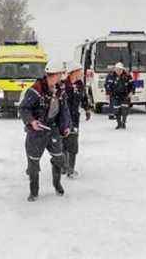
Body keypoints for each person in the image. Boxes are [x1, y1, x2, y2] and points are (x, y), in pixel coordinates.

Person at [19, 62, 71, 202]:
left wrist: (65, 126)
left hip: (53, 130)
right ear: (53, 75)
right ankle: (34, 191)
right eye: (60, 74)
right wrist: (31, 121)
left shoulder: (60, 91)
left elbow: (64, 111)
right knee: (34, 163)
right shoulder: (35, 90)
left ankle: (57, 183)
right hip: (37, 132)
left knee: (59, 158)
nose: (61, 77)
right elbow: (24, 109)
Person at [63, 62, 92, 178]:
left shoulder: (80, 84)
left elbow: (84, 97)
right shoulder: (63, 85)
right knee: (63, 143)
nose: (81, 73)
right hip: (62, 119)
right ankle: (63, 166)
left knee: (73, 144)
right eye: (79, 71)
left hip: (74, 118)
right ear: (73, 72)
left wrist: (87, 109)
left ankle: (71, 169)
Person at [104, 62, 135, 129]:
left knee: (124, 110)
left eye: (120, 70)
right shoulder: (110, 76)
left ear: (122, 69)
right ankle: (119, 123)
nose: (119, 71)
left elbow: (132, 85)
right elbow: (107, 85)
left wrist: (131, 92)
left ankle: (123, 123)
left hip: (125, 95)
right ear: (115, 69)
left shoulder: (127, 75)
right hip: (115, 96)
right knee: (116, 110)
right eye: (117, 69)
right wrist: (108, 93)